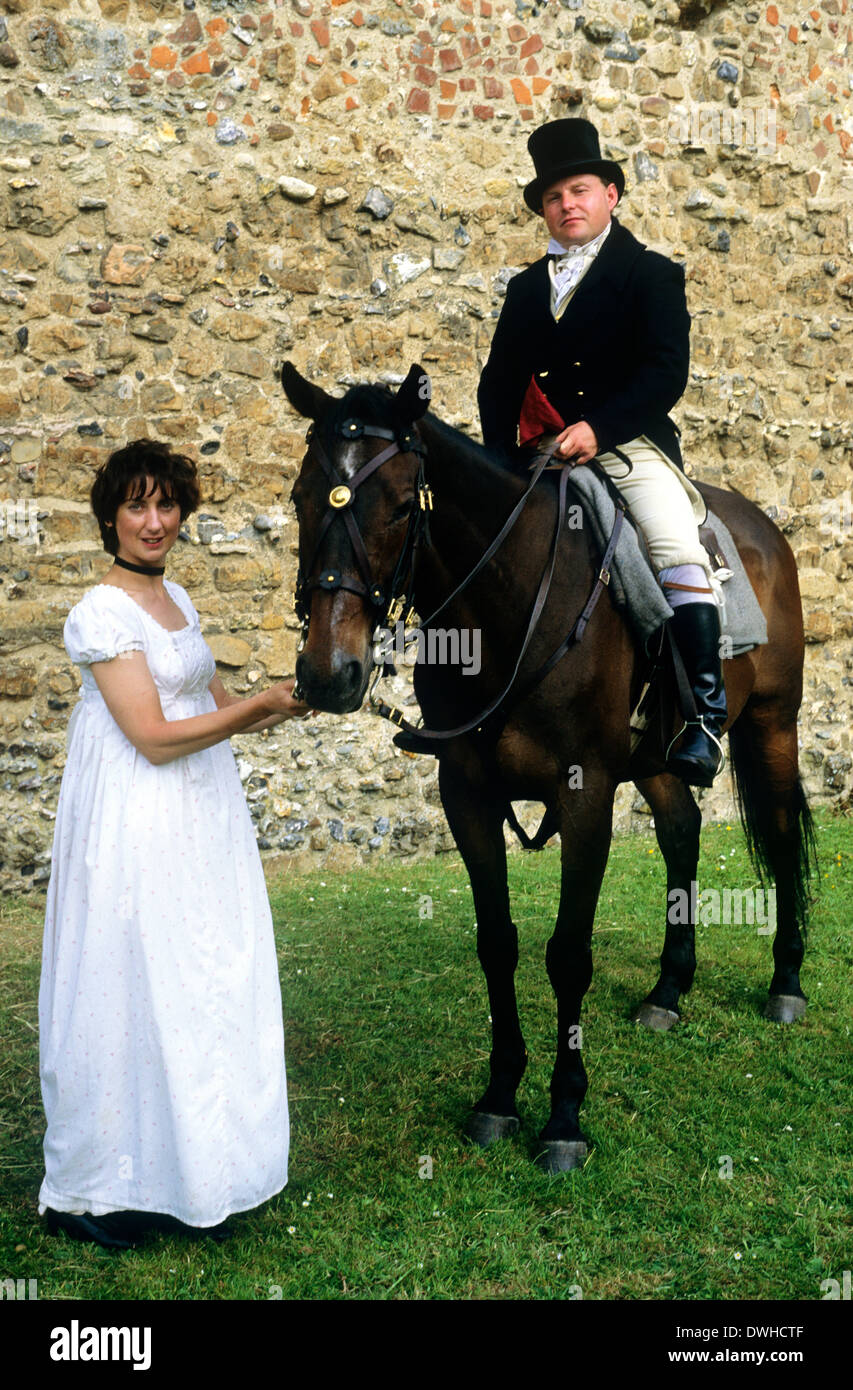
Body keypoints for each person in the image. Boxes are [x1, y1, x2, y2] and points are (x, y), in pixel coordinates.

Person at [39, 438, 311, 1250]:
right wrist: (254, 702)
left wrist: (289, 700)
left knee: (197, 978)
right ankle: (95, 1189)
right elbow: (154, 736)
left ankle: (198, 1170)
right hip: (134, 813)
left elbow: (208, 701)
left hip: (200, 812)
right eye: (136, 505)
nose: (153, 522)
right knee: (126, 983)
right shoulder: (100, 613)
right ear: (110, 517)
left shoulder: (179, 601)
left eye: (166, 505)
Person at [477, 118, 727, 787]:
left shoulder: (650, 275)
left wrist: (598, 427)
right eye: (553, 197)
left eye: (580, 190)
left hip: (628, 446)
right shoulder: (527, 288)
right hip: (541, 454)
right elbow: (497, 383)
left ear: (610, 194)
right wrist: (496, 457)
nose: (567, 205)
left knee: (673, 541)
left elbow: (663, 374)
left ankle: (702, 716)